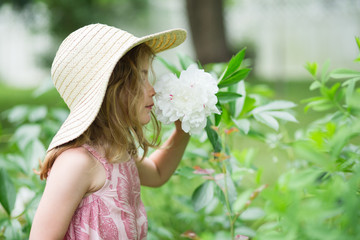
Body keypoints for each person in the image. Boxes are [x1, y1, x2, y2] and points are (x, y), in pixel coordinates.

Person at [29, 23, 189, 239]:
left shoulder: (116, 150)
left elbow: (158, 173)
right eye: (141, 77)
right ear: (110, 89)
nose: (152, 90)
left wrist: (184, 129)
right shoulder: (77, 163)